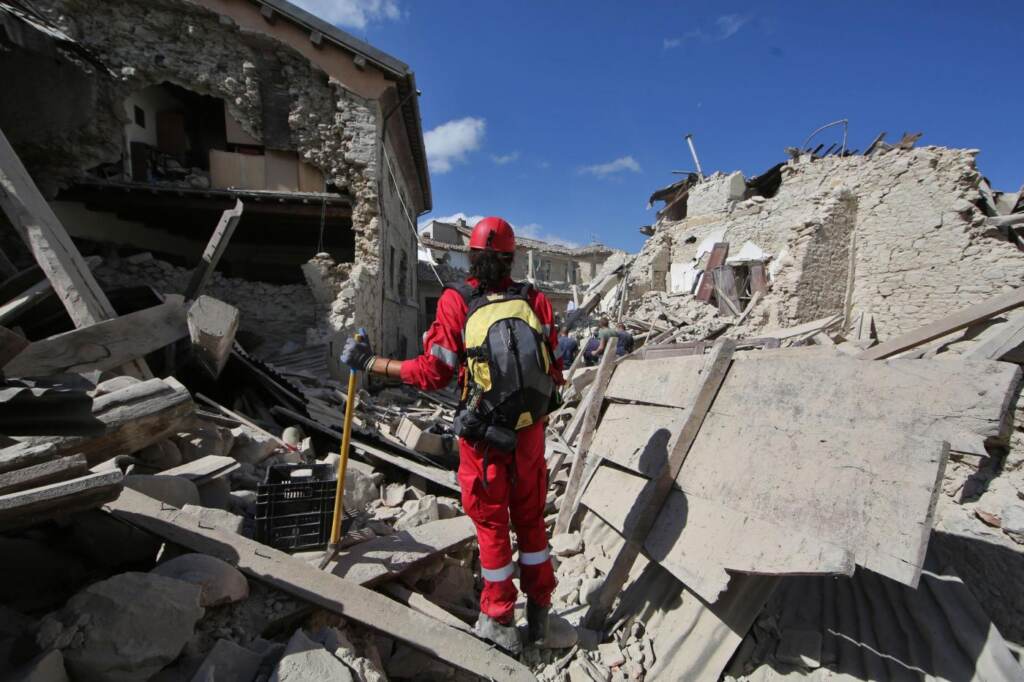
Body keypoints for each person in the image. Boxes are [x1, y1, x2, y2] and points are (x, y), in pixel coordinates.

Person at [340, 217, 561, 654]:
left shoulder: (456, 301)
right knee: (532, 522)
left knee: (492, 525)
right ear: (511, 258)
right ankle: (540, 618)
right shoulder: (535, 299)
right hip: (530, 436)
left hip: (483, 441)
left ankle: (499, 621)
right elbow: (554, 370)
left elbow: (433, 371)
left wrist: (373, 364)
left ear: (470, 258)